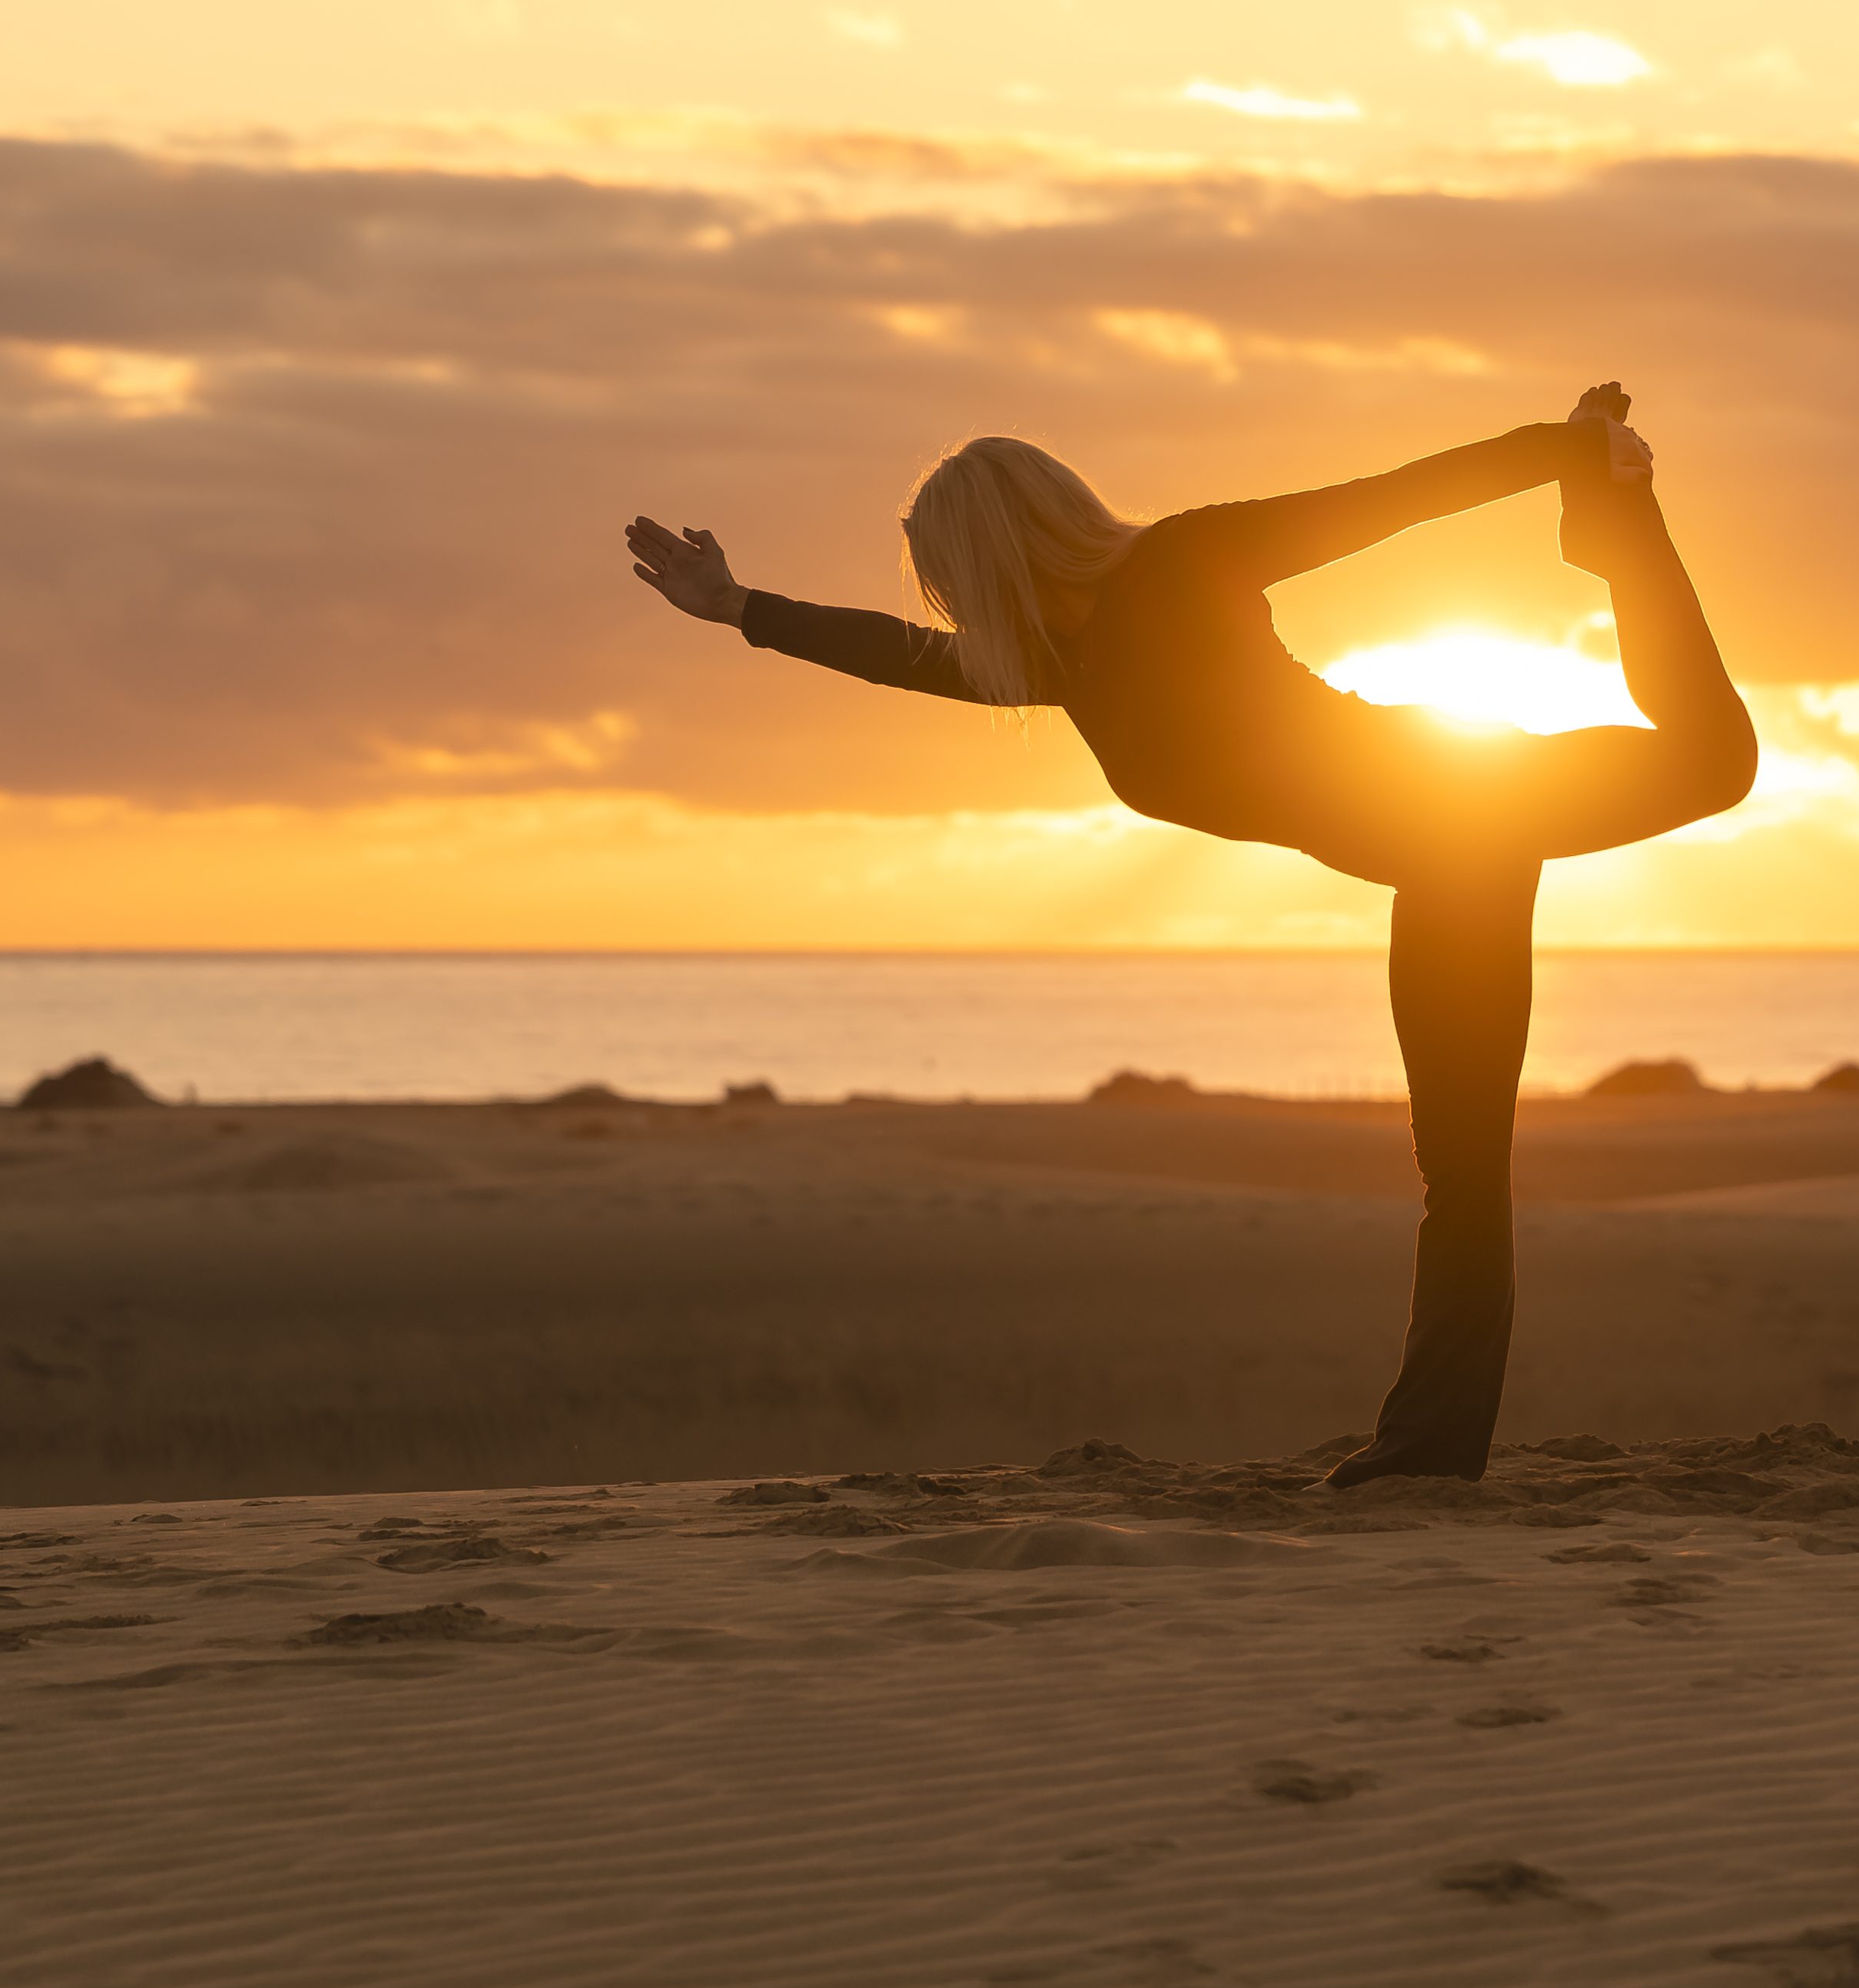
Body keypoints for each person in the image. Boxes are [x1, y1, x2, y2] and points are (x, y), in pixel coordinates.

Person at [626, 386, 1754, 1483]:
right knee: (1459, 1165)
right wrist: (739, 607)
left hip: (1469, 794)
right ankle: (1430, 1453)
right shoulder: (1059, 665)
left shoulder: (1186, 560)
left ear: (995, 553)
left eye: (949, 576)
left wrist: (1561, 449)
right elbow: (895, 652)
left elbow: (1389, 498)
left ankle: (1617, 524)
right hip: (1444, 857)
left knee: (1717, 761)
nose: (947, 602)